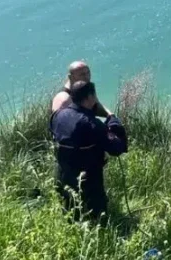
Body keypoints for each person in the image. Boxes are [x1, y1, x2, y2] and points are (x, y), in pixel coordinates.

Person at [49, 81, 128, 223]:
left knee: (70, 216)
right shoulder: (91, 124)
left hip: (64, 177)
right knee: (99, 219)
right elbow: (117, 148)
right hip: (89, 183)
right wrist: (112, 119)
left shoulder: (58, 116)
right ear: (91, 97)